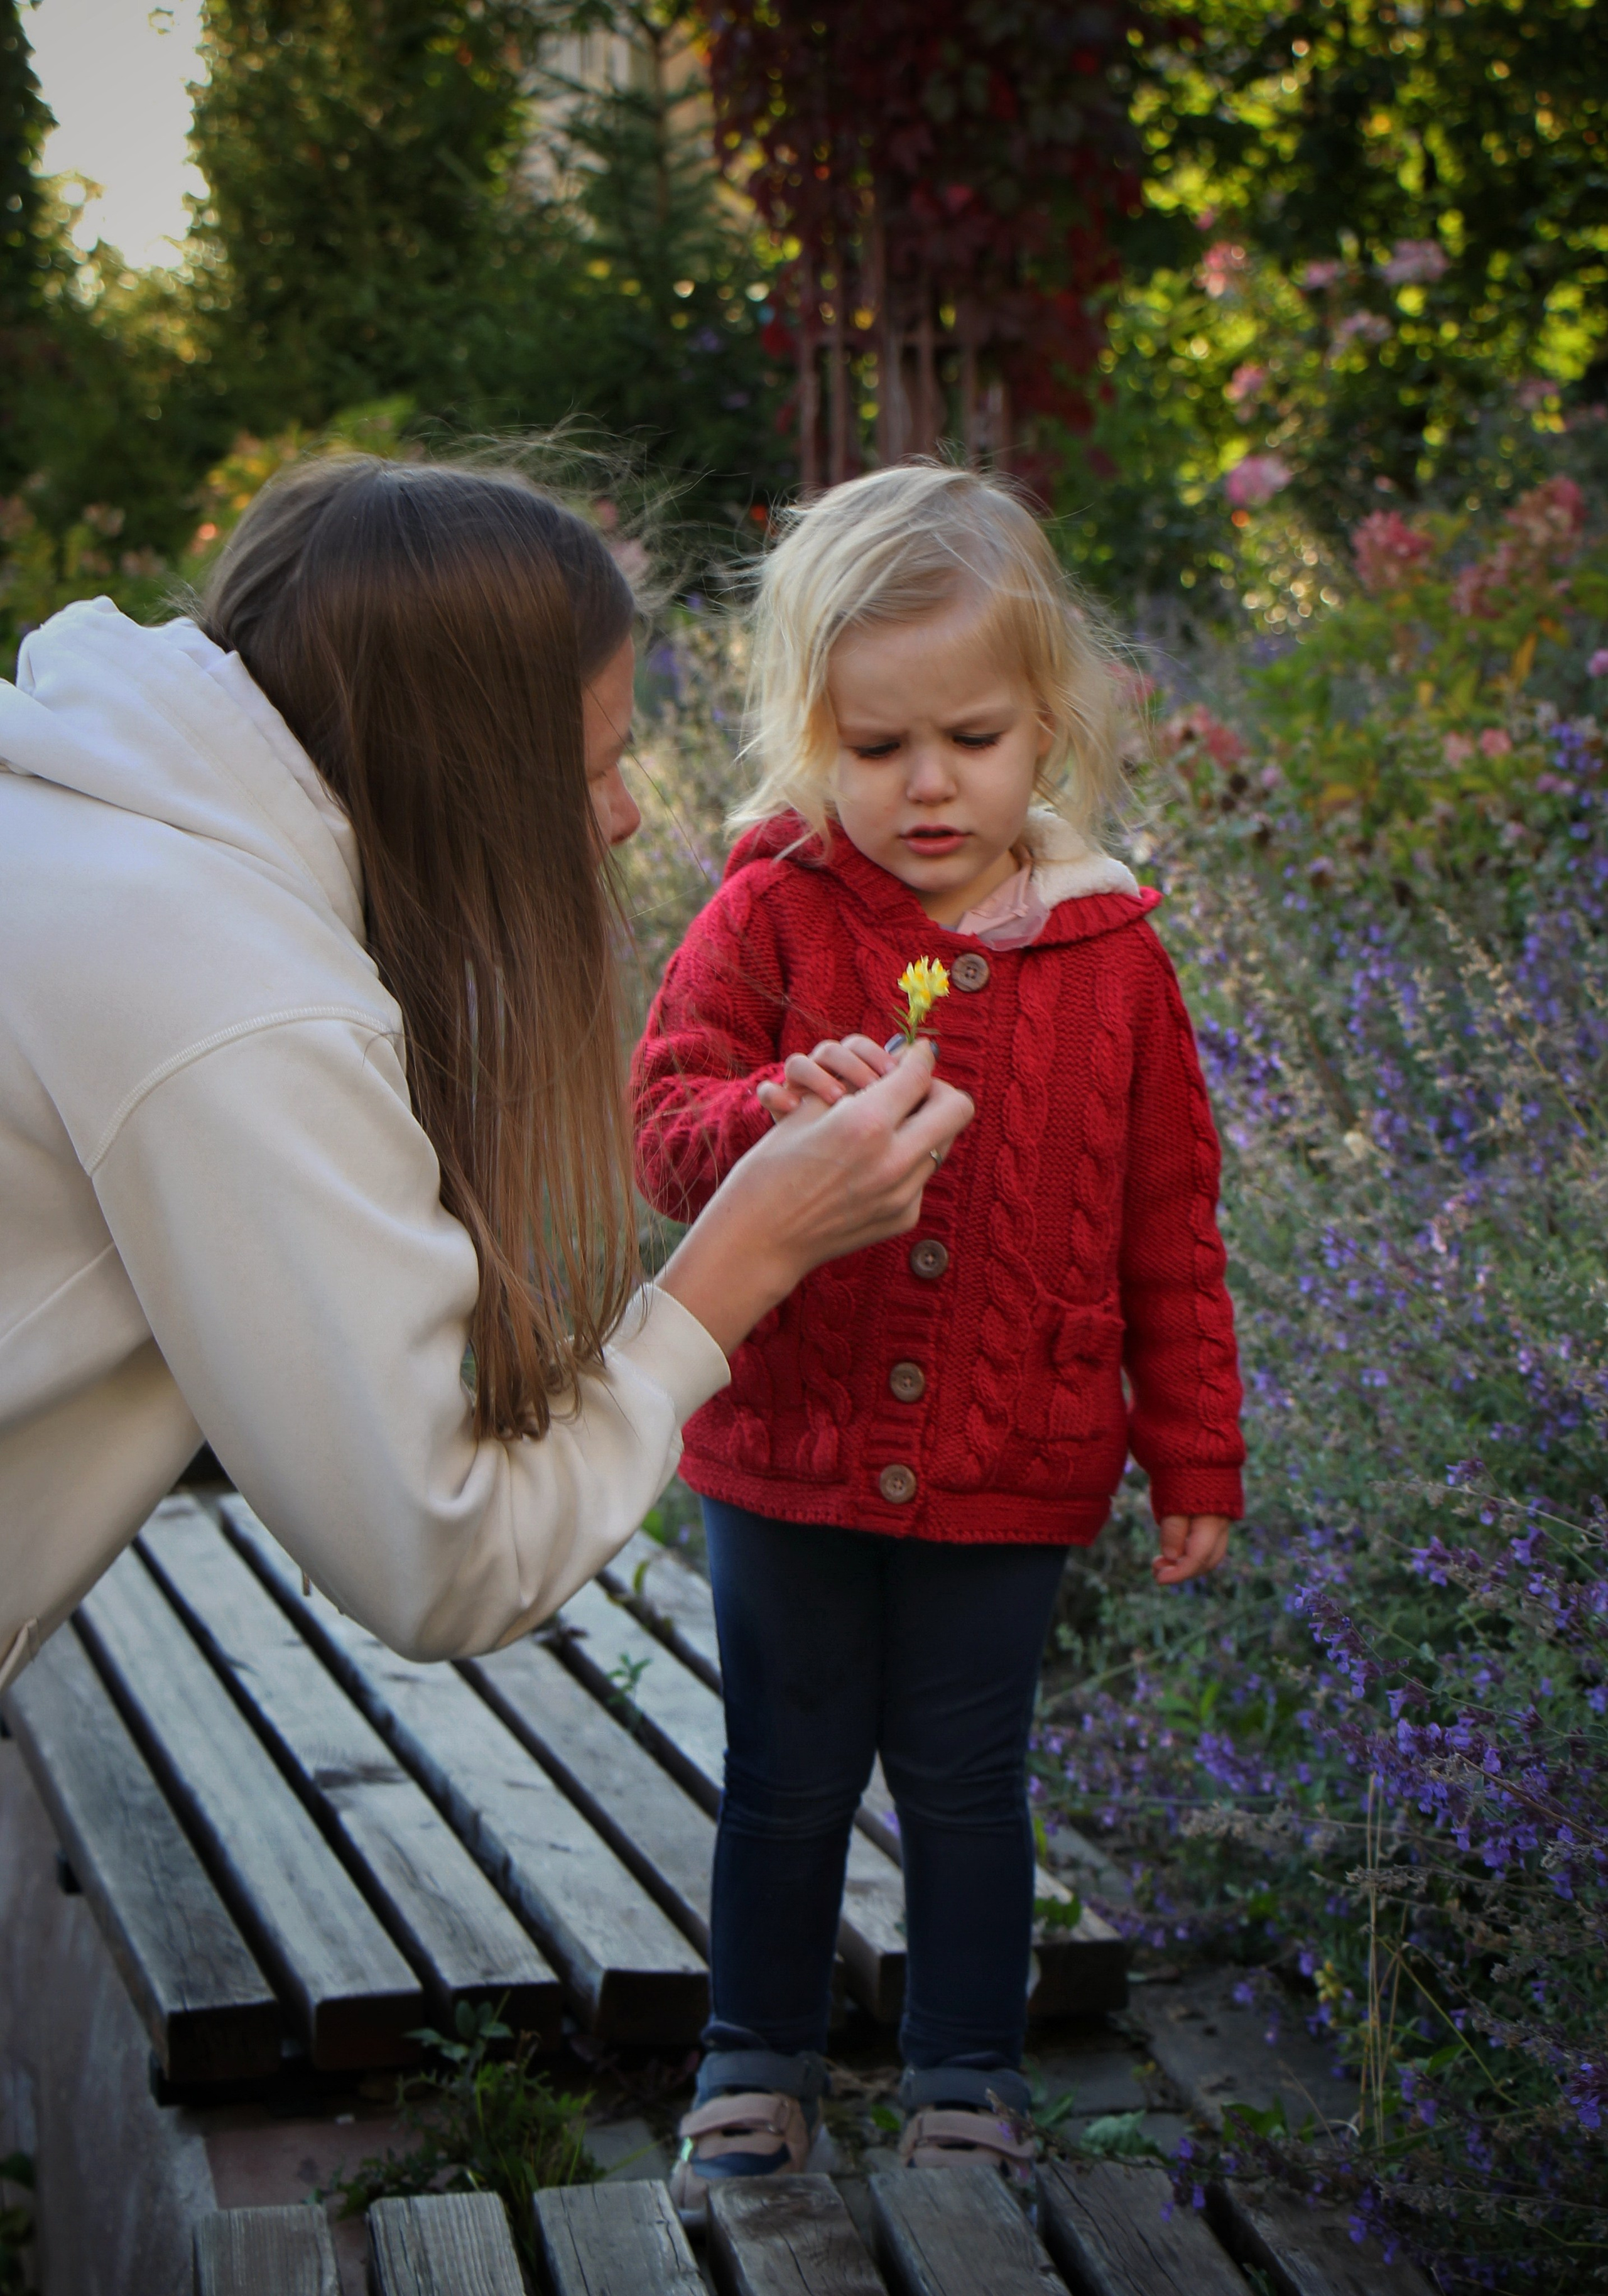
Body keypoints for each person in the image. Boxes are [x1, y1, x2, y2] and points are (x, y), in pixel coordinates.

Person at [0, 454, 974, 1692]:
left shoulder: (104, 820)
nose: (625, 817)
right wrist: (749, 1252)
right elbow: (448, 1556)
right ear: (455, 775)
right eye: (588, 772)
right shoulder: (232, 1000)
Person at [633, 463, 1246, 2213]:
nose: (924, 785)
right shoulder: (771, 912)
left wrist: (1193, 1444)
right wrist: (766, 1113)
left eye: (969, 739)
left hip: (1017, 1453)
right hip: (787, 1448)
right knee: (786, 1768)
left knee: (972, 1782)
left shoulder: (1113, 959)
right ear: (807, 731)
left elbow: (1167, 1228)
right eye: (875, 742)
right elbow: (660, 1124)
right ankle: (754, 2059)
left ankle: (965, 2071)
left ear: (1047, 727)